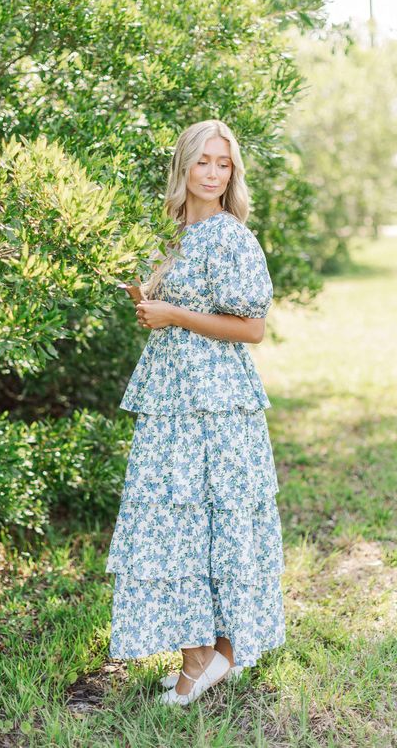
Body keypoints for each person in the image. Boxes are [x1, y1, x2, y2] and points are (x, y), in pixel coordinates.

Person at [106, 119, 286, 706]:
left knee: (206, 522)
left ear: (232, 173)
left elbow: (252, 328)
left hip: (217, 401)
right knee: (184, 521)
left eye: (223, 163)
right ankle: (213, 653)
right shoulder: (175, 234)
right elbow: (168, 308)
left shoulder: (231, 237)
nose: (212, 173)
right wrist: (151, 306)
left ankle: (205, 660)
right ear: (183, 166)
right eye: (202, 161)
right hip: (172, 396)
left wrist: (175, 315)